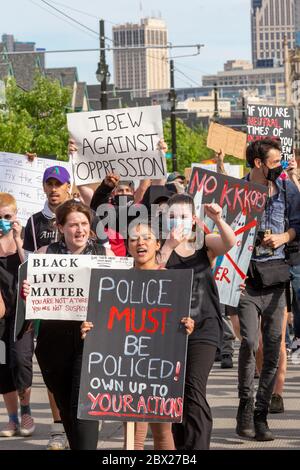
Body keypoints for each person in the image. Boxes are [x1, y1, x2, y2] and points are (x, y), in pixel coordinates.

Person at [82, 219, 194, 450]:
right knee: (133, 438)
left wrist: (187, 326)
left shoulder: (172, 282)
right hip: (128, 368)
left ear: (157, 244)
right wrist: (90, 331)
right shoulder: (115, 282)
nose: (140, 243)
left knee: (163, 433)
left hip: (160, 369)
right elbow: (106, 322)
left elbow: (179, 325)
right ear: (129, 246)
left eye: (146, 238)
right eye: (133, 239)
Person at [22, 200, 111, 450]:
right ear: (60, 227)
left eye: (84, 224)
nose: (80, 230)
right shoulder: (43, 255)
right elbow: (28, 298)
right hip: (53, 342)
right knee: (67, 409)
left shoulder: (105, 256)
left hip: (91, 340)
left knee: (84, 406)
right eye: (73, 225)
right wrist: (27, 290)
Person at [158, 193, 236, 450]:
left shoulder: (203, 244)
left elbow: (229, 242)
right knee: (177, 393)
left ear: (192, 220)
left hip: (205, 326)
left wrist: (218, 219)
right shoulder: (158, 247)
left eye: (182, 216)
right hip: (171, 331)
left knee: (193, 386)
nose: (176, 221)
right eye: (171, 217)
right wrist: (168, 246)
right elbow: (150, 276)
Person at [235, 139, 300, 441]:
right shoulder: (235, 190)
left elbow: (299, 224)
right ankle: (245, 408)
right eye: (275, 162)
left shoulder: (287, 188)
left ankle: (261, 414)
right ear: (259, 164)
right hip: (245, 278)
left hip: (276, 279)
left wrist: (284, 237)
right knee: (249, 341)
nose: (280, 166)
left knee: (274, 348)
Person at [0, 193, 35, 438]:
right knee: (1, 365)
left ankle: (26, 409)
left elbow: (31, 268)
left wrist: (18, 240)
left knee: (21, 360)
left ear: (15, 215)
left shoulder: (23, 243)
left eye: (6, 216)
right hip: (0, 314)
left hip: (22, 312)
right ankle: (12, 418)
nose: (2, 220)